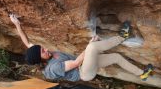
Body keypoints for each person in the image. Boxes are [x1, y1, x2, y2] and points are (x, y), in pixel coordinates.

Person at [10, 14, 153, 82]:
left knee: (116, 57)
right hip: (84, 72)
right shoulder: (53, 68)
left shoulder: (37, 53)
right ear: (40, 59)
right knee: (91, 47)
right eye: (43, 52)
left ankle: (142, 74)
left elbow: (27, 42)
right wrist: (91, 43)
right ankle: (123, 36)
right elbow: (76, 63)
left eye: (43, 48)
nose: (46, 50)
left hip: (86, 65)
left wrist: (17, 24)